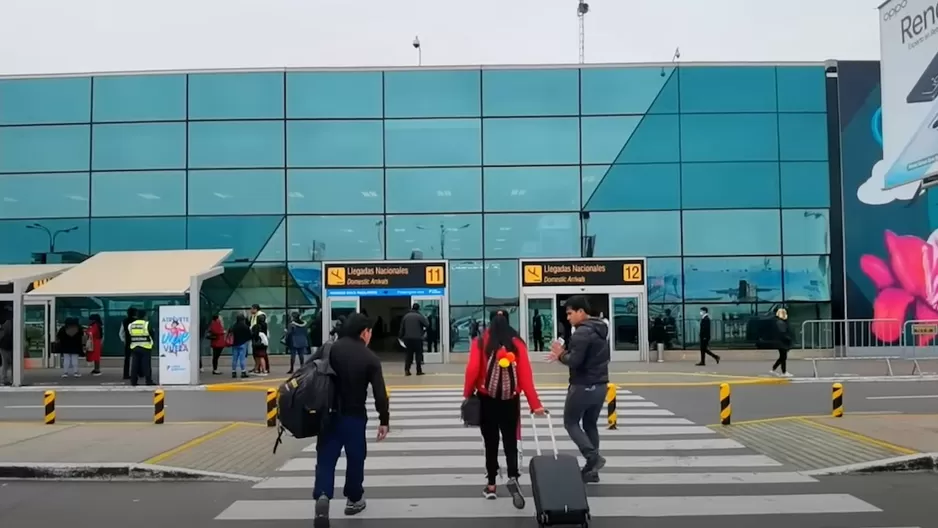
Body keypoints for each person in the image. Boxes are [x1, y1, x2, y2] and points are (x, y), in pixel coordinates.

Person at [313, 312, 390, 526]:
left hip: (327, 415)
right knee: (356, 458)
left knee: (326, 459)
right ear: (364, 332)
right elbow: (380, 393)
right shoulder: (369, 358)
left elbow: (308, 370)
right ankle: (354, 499)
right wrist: (384, 420)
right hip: (354, 417)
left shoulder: (330, 348)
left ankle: (322, 496)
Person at [463, 310, 543, 505]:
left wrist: (467, 393)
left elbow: (472, 370)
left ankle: (491, 485)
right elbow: (525, 376)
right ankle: (513, 478)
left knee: (490, 443)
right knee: (510, 441)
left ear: (489, 322)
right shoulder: (517, 344)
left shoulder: (480, 342)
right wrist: (535, 404)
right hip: (510, 400)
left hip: (486, 399)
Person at [548, 295, 609, 483]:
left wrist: (560, 355)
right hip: (600, 384)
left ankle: (592, 457)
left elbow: (575, 361)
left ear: (581, 312)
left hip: (583, 385)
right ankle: (592, 471)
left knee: (571, 422)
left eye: (570, 313)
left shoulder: (582, 332)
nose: (568, 318)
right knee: (590, 424)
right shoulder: (600, 329)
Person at [399, 303, 429, 376]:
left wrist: (400, 337)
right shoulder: (419, 316)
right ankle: (418, 371)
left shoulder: (406, 316)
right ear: (418, 309)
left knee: (408, 355)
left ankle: (407, 370)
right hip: (417, 339)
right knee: (418, 355)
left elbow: (402, 328)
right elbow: (427, 324)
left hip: (408, 339)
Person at [127, 310, 155, 386]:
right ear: (144, 316)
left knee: (134, 365)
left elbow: (130, 335)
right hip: (145, 347)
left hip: (134, 347)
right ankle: (148, 381)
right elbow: (152, 334)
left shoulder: (131, 325)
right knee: (146, 365)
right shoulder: (146, 324)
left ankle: (133, 381)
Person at [228, 314, 252, 379]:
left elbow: (229, 333)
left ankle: (233, 372)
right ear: (243, 319)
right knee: (242, 359)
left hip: (235, 344)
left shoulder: (233, 326)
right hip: (243, 344)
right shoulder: (245, 326)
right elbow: (250, 335)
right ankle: (243, 372)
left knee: (234, 359)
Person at [771, 308, 793, 377]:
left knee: (782, 357)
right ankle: (782, 372)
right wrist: (788, 339)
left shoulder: (779, 322)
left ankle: (775, 369)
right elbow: (783, 333)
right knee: (783, 357)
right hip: (782, 343)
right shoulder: (781, 323)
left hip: (780, 342)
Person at [119, 307, 137, 380]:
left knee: (127, 359)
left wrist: (124, 340)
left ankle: (126, 374)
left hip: (128, 342)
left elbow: (121, 333)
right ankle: (137, 373)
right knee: (137, 358)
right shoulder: (137, 321)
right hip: (137, 342)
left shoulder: (124, 321)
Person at [0, 307, 13, 386]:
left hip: (5, 345)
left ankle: (5, 378)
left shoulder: (7, 322)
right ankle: (4, 379)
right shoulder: (9, 322)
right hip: (6, 346)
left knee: (6, 363)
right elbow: (6, 332)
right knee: (6, 363)